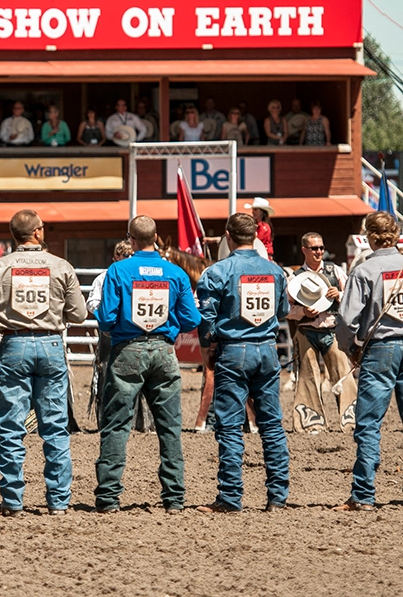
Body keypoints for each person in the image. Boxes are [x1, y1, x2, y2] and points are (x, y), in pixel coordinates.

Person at [0, 210, 87, 516]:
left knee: (11, 427)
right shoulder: (61, 266)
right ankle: (59, 502)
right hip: (51, 344)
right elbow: (78, 314)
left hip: (13, 345)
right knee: (55, 428)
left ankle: (13, 501)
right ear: (37, 232)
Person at [94, 215, 201, 514]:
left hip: (128, 350)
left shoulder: (118, 270)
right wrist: (168, 324)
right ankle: (174, 498)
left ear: (131, 239)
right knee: (170, 427)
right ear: (156, 237)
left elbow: (105, 318)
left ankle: (108, 497)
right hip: (165, 352)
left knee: (116, 424)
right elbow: (192, 319)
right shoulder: (175, 273)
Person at [195, 213, 290, 513]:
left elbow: (207, 318)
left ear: (227, 236)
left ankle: (230, 497)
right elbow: (283, 310)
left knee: (230, 426)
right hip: (267, 349)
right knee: (271, 425)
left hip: (234, 350)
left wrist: (207, 345)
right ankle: (277, 497)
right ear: (257, 237)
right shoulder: (275, 271)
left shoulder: (217, 271)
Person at [333, 212, 403, 512]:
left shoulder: (365, 271)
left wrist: (350, 347)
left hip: (382, 348)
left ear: (370, 237)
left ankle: (363, 494)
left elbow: (347, 320)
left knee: (369, 424)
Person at [287, 232, 355, 433]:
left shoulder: (336, 271)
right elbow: (285, 310)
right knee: (308, 376)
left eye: (321, 248)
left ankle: (350, 421)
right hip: (306, 330)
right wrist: (302, 311)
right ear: (304, 250)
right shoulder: (294, 278)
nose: (318, 252)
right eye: (314, 248)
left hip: (332, 329)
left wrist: (340, 295)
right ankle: (311, 423)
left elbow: (352, 296)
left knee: (343, 373)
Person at [86, 240, 134, 425]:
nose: (127, 259)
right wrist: (105, 315)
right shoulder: (103, 278)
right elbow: (92, 302)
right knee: (106, 373)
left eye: (130, 255)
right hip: (109, 334)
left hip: (130, 332)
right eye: (124, 255)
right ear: (116, 257)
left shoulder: (136, 276)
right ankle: (104, 419)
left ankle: (137, 420)